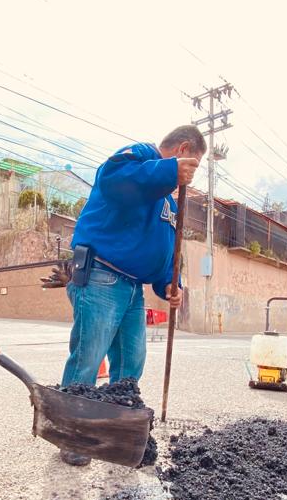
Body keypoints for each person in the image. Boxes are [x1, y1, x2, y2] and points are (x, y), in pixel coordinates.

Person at [59, 125, 205, 465]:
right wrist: (170, 170)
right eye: (193, 163)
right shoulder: (142, 156)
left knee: (131, 363)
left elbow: (165, 246)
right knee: (88, 359)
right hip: (101, 276)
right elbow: (112, 180)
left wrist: (171, 281)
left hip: (132, 287)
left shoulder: (168, 197)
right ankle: (73, 435)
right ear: (183, 148)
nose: (191, 174)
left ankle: (112, 431)